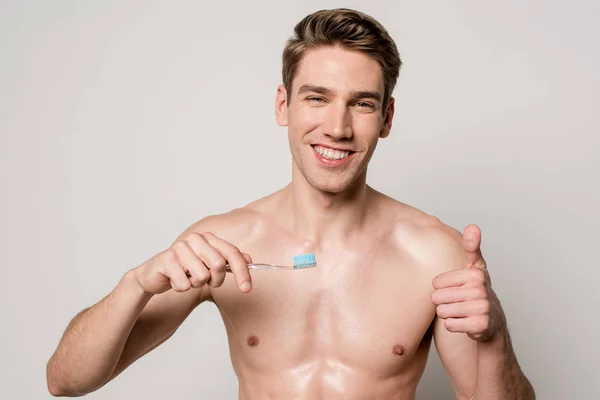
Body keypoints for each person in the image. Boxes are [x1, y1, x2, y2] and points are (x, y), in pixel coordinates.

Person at [46, 8, 535, 399]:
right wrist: (136, 284)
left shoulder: (435, 255)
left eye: (362, 103)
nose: (338, 128)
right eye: (317, 98)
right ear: (284, 105)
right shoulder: (224, 243)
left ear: (386, 117)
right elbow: (66, 381)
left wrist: (494, 339)